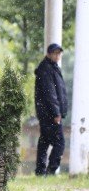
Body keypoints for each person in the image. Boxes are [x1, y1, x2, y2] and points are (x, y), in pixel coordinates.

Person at [34, 43, 68, 176]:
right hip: (50, 113)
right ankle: (51, 171)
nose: (58, 55)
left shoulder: (51, 67)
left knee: (45, 141)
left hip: (46, 113)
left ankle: (40, 171)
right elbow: (50, 93)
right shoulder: (46, 68)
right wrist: (56, 112)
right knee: (60, 143)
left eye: (59, 53)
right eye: (55, 53)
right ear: (49, 54)